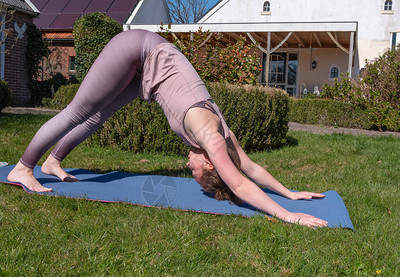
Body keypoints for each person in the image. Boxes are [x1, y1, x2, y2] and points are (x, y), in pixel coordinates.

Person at [7, 29, 327, 228]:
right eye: (196, 172)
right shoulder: (212, 139)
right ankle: (23, 167)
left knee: (94, 117)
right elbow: (241, 185)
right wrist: (288, 214)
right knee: (79, 110)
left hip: (148, 68)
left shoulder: (224, 140)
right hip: (137, 49)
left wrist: (289, 193)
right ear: (210, 162)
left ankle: (53, 162)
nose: (188, 166)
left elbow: (250, 168)